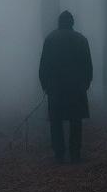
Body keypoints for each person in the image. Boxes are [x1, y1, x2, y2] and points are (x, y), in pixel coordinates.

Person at [39, 10, 93, 162]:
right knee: (76, 121)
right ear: (72, 22)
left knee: (56, 121)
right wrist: (86, 83)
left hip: (56, 88)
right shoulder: (81, 39)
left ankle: (59, 153)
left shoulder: (50, 39)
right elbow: (88, 65)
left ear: (59, 22)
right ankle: (75, 153)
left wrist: (44, 84)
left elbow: (44, 65)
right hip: (77, 87)